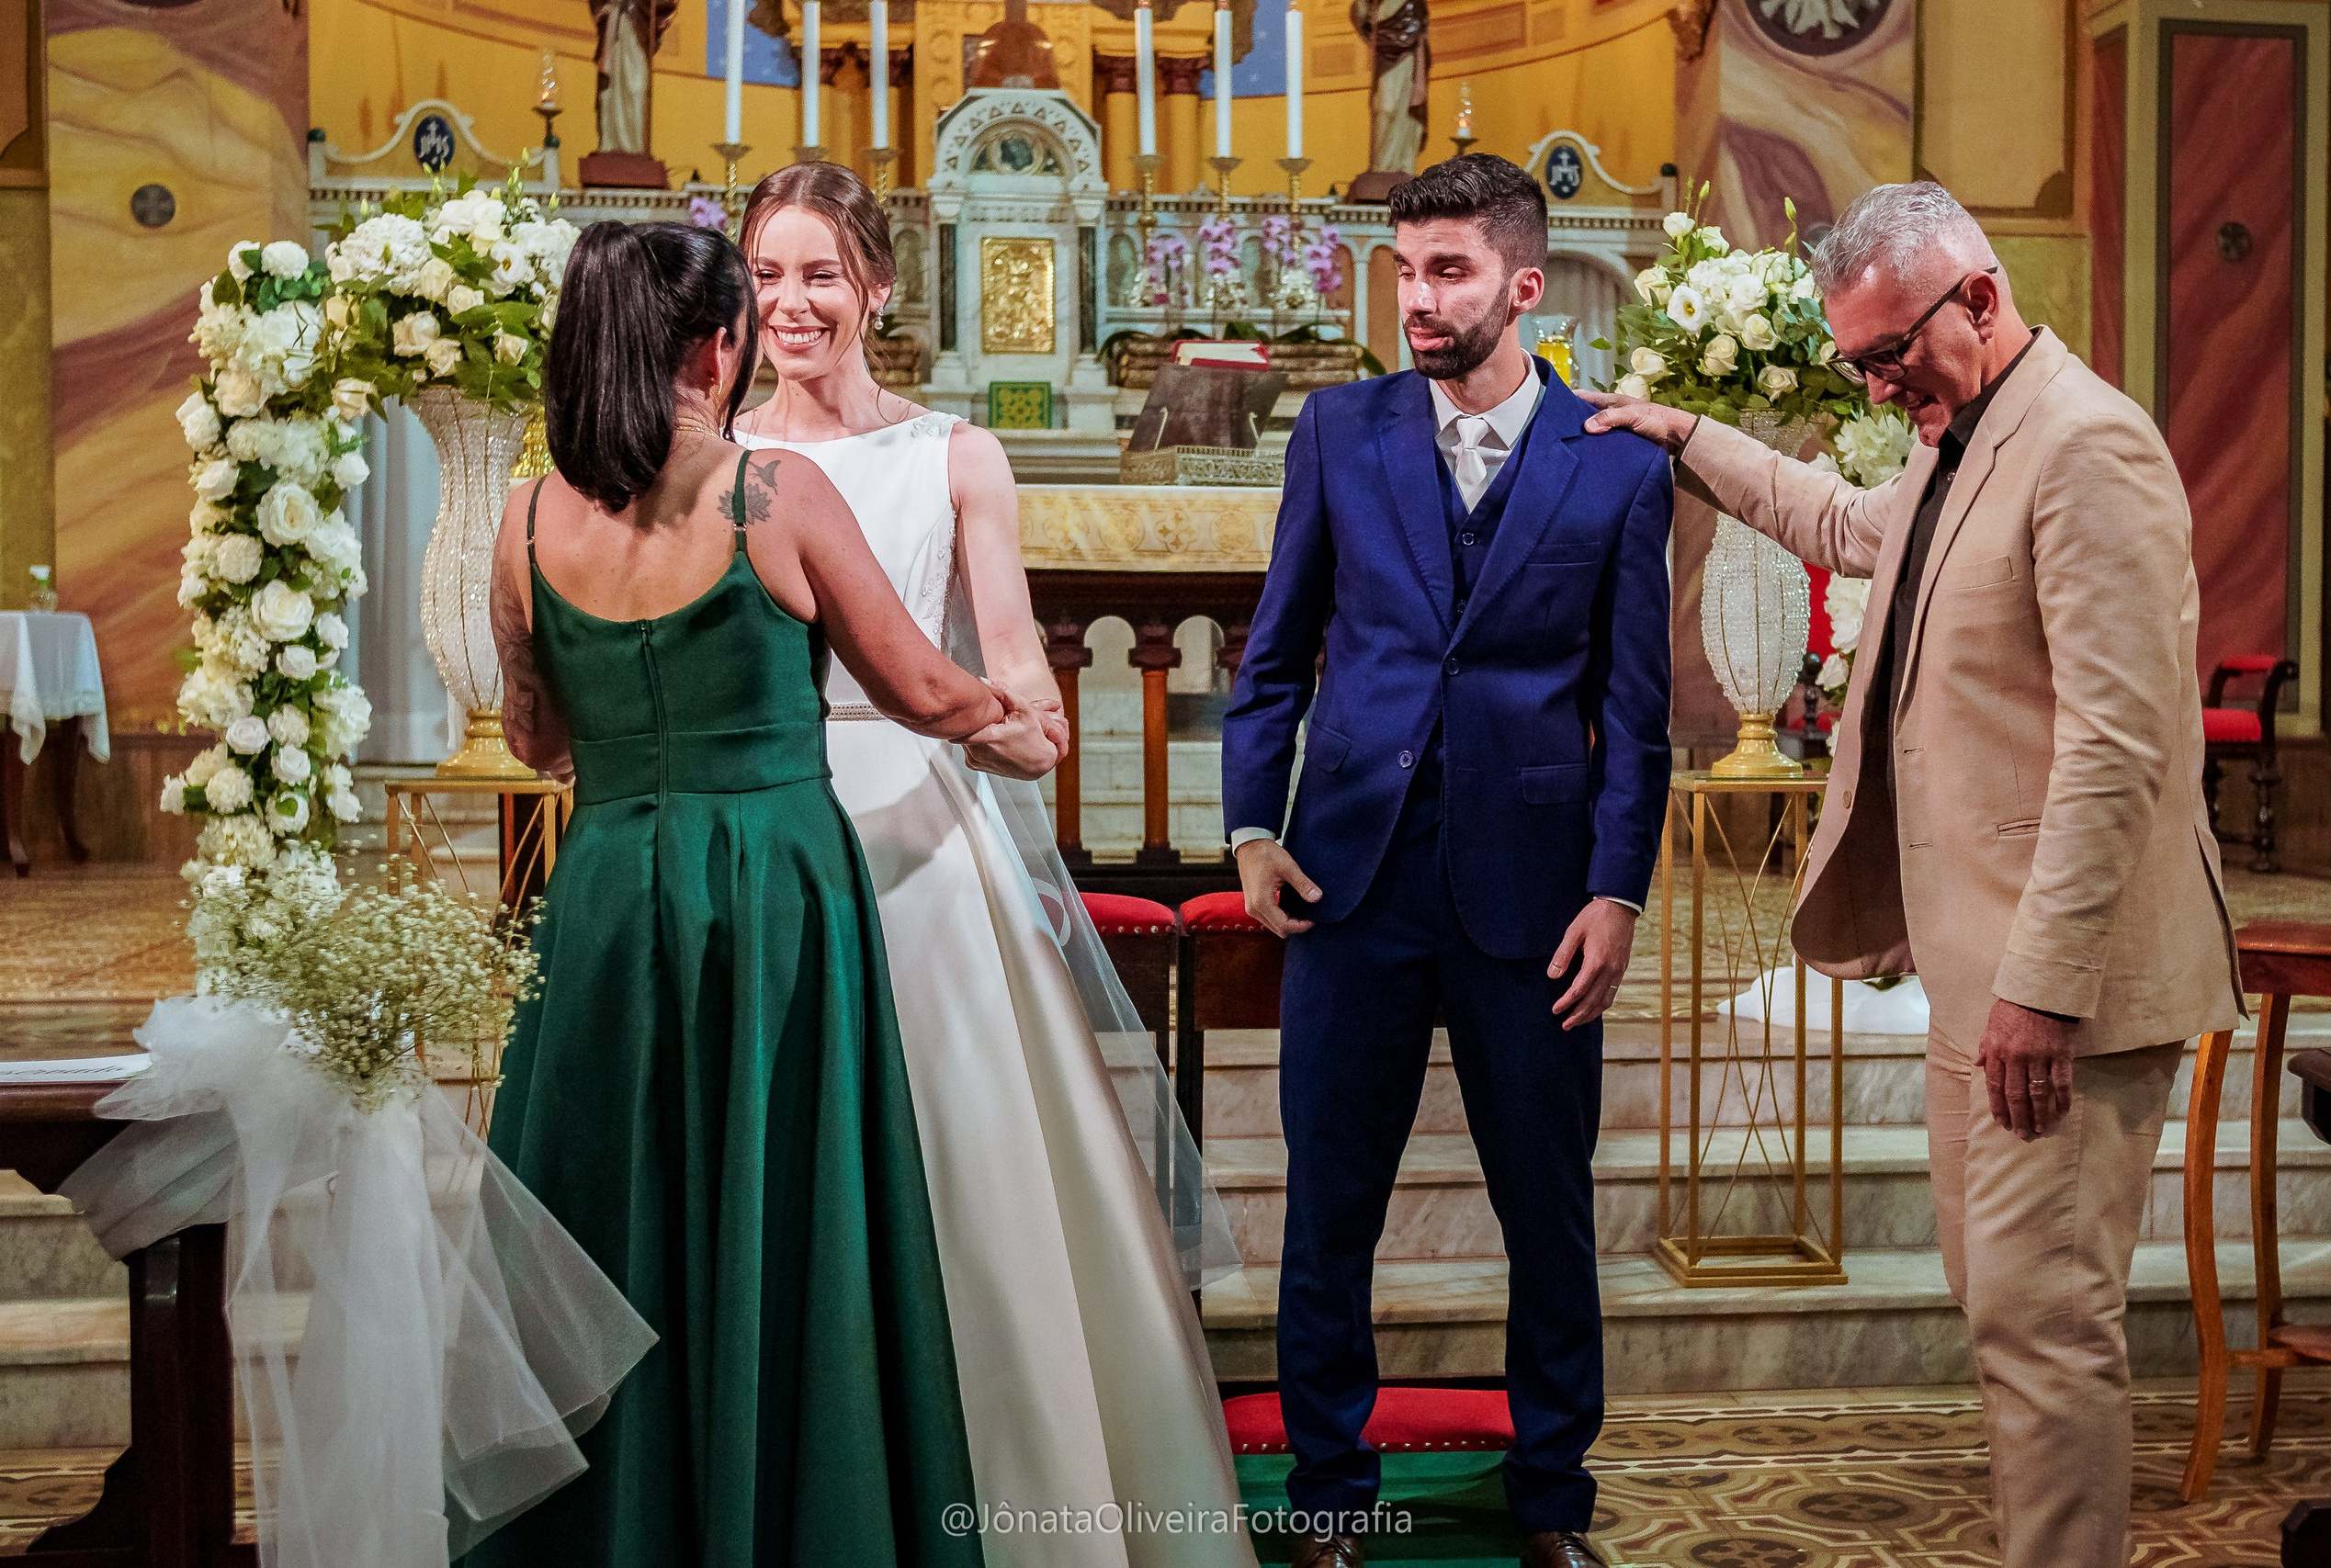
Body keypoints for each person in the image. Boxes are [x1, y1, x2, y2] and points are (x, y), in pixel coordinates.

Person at [1586, 180, 2241, 1568]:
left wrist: (2042, 993)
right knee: (2006, 1317)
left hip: (2058, 991)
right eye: (1858, 363)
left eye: (1892, 355)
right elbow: (1839, 523)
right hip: (1976, 975)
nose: (1880, 386)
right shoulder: (1968, 444)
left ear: (1982, 299)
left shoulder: (2085, 449)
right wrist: (1689, 435)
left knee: (2049, 1331)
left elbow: (2124, 748)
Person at [473, 220, 1047, 1568]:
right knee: (783, 1212)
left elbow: (532, 734)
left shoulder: (526, 512)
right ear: (721, 343)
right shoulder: (771, 491)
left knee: (609, 1211)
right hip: (775, 895)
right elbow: (916, 686)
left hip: (608, 891)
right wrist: (1008, 709)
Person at [730, 162, 1254, 1568]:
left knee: (962, 1162)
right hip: (764, 830)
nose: (792, 304)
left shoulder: (955, 455)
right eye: (768, 276)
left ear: (881, 288)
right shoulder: (715, 457)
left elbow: (1014, 662)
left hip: (916, 830)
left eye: (821, 274)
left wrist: (1023, 714)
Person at [1222, 153, 1674, 1568]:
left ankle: (1551, 1501)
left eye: (1449, 272)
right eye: (1405, 270)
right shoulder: (1339, 432)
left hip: (1533, 898)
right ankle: (1329, 1499)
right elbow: (1273, 658)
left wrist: (1616, 892)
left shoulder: (1616, 462)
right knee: (1328, 1208)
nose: (1415, 299)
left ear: (1524, 287)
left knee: (1546, 1211)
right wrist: (1250, 829)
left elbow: (1637, 714)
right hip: (1349, 881)